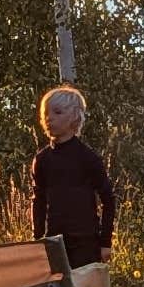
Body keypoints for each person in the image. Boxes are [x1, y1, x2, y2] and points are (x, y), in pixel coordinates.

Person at [27, 84, 118, 269]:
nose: (49, 118)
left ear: (74, 118)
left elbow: (108, 199)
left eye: (57, 112)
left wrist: (105, 242)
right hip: (54, 243)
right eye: (46, 113)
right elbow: (39, 200)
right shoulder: (42, 160)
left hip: (85, 243)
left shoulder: (87, 158)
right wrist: (37, 239)